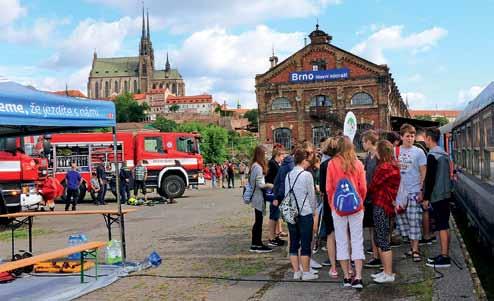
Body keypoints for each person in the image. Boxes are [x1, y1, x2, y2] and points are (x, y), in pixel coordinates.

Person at [326, 136, 367, 289]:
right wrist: (360, 201)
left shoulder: (331, 164)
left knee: (341, 241)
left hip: (338, 208)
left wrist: (332, 205)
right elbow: (363, 187)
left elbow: (329, 188)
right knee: (357, 240)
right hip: (356, 207)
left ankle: (346, 276)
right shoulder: (358, 164)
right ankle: (359, 276)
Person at [368, 140, 401, 283]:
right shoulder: (394, 165)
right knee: (382, 237)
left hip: (381, 204)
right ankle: (385, 270)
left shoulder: (383, 168)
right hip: (388, 205)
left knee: (382, 239)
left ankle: (388, 273)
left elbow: (373, 185)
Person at [285, 148, 319, 281]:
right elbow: (311, 196)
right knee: (305, 242)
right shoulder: (306, 175)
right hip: (304, 211)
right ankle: (306, 272)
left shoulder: (288, 174)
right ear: (304, 160)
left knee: (294, 242)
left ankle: (296, 271)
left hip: (291, 211)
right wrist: (315, 211)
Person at [395, 124, 427, 262]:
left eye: (412, 136)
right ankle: (411, 246)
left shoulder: (419, 152)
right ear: (401, 137)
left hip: (414, 191)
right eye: (407, 136)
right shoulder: (395, 151)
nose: (410, 138)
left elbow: (423, 171)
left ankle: (415, 250)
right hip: (399, 193)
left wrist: (421, 190)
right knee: (403, 222)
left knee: (414, 221)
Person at [424, 128, 453, 268]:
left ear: (429, 138)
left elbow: (430, 179)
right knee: (445, 224)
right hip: (446, 194)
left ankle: (444, 257)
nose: (424, 141)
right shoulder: (444, 153)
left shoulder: (432, 155)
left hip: (437, 195)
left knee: (441, 225)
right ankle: (445, 253)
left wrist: (426, 197)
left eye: (425, 138)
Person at [319, 137, 339, 278]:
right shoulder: (346, 163)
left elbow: (321, 188)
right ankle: (348, 262)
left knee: (330, 234)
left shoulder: (324, 165)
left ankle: (333, 265)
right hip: (344, 202)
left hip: (329, 201)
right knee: (345, 233)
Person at [361, 130, 381, 269]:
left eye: (363, 142)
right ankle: (375, 255)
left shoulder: (379, 156)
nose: (362, 144)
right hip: (368, 195)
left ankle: (379, 255)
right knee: (371, 227)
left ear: (368, 142)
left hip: (377, 195)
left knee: (378, 227)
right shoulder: (368, 156)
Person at [249, 145, 274, 253]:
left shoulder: (255, 165)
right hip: (258, 196)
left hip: (257, 195)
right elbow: (260, 184)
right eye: (265, 154)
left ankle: (256, 243)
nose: (267, 156)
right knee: (258, 221)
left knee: (258, 220)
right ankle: (256, 244)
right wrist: (269, 185)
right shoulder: (258, 167)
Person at [414, 128, 434, 245]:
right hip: (427, 182)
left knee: (424, 210)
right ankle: (429, 233)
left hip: (421, 183)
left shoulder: (418, 148)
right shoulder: (426, 148)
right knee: (427, 209)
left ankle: (426, 235)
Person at [266, 145, 285, 247]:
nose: (283, 157)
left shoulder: (274, 163)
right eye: (283, 155)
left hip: (274, 192)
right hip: (273, 192)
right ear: (278, 154)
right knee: (273, 215)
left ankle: (274, 235)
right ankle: (271, 237)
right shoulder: (273, 164)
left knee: (275, 215)